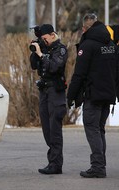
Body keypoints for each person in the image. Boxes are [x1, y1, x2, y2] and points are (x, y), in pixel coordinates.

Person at [67, 13, 119, 178]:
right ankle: (100, 164)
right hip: (108, 94)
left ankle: (98, 167)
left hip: (93, 95)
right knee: (99, 130)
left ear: (84, 28)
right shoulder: (111, 44)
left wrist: (70, 96)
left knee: (92, 129)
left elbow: (79, 74)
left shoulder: (87, 45)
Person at [30, 24, 68, 174]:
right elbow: (34, 66)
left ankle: (56, 164)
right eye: (41, 39)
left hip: (55, 92)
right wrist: (35, 51)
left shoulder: (61, 49)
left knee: (54, 129)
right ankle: (52, 161)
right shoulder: (44, 48)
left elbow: (54, 67)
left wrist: (41, 54)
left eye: (44, 39)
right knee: (47, 128)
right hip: (44, 91)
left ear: (52, 35)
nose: (43, 41)